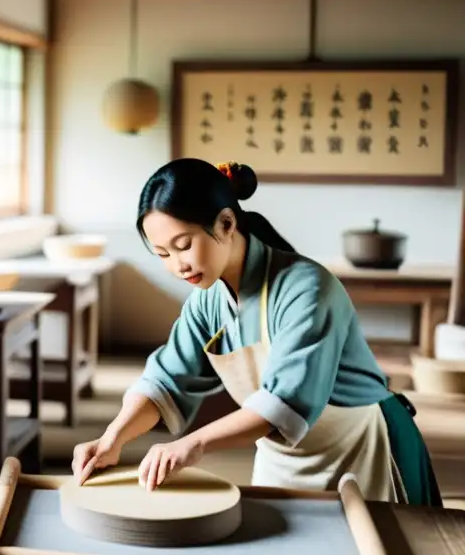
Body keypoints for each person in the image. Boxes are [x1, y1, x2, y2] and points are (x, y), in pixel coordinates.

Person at [72, 158, 441, 507]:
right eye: (163, 254)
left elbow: (283, 403)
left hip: (362, 446)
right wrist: (112, 438)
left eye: (184, 245)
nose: (178, 265)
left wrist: (193, 444)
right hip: (281, 454)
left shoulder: (307, 289)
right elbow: (164, 382)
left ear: (227, 223)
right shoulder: (207, 302)